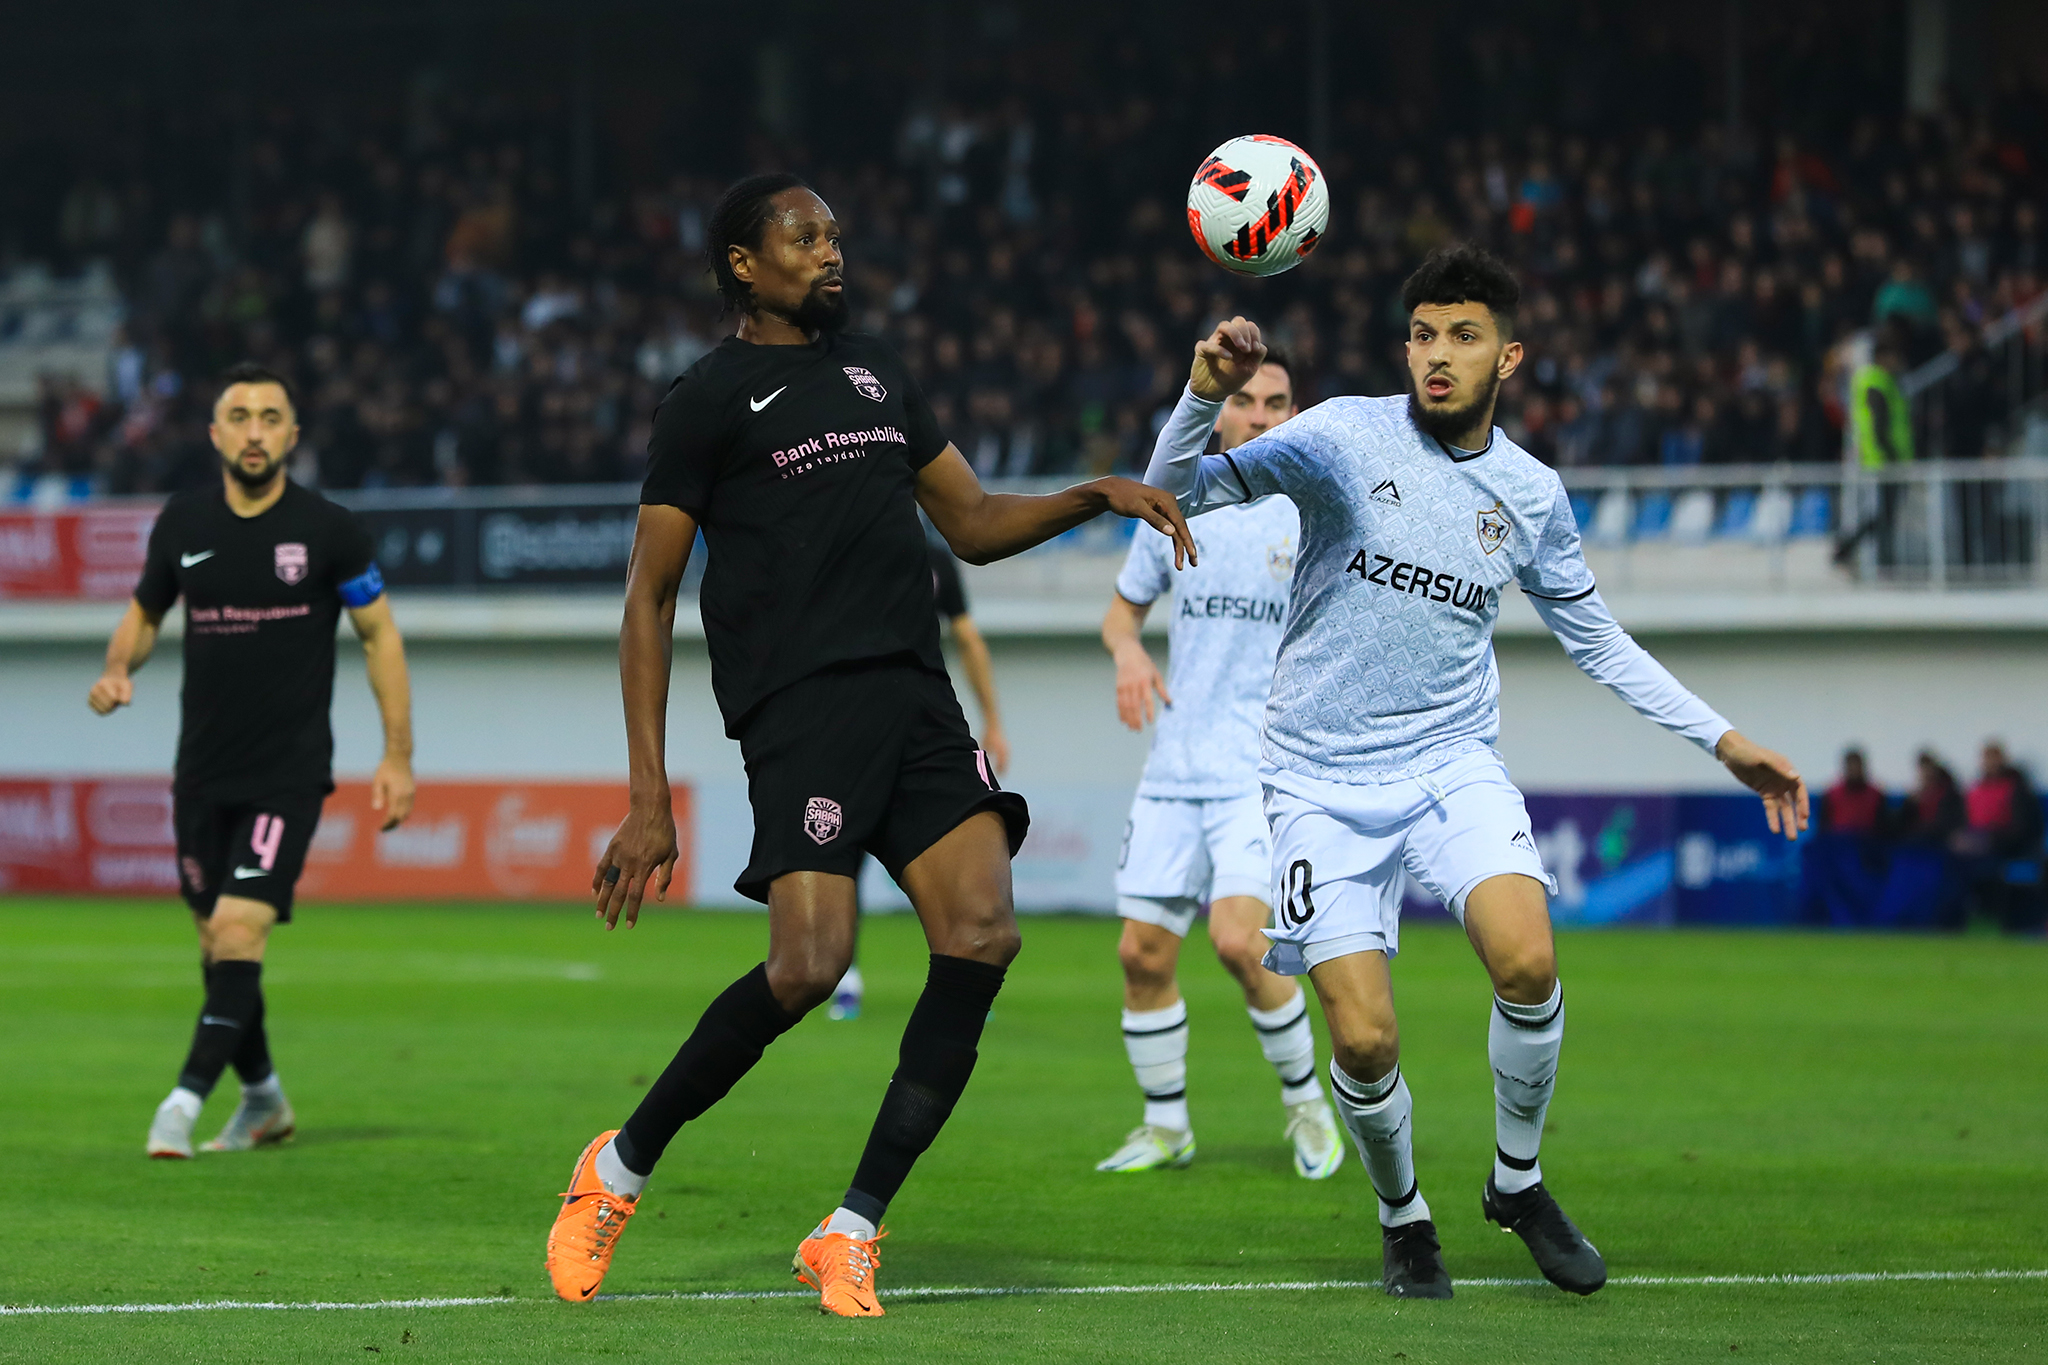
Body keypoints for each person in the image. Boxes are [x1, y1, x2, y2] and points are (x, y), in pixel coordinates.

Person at [544, 174, 1195, 1319]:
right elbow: (646, 598)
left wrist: (1095, 493)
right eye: (803, 237)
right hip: (800, 710)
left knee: (983, 933)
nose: (829, 252)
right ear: (742, 263)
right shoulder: (706, 400)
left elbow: (973, 524)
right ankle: (618, 1166)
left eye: (834, 236)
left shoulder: (877, 376)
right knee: (807, 967)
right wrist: (647, 797)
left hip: (915, 699)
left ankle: (848, 1230)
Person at [1143, 244, 1807, 1299]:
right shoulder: (1339, 437)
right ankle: (1403, 1218)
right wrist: (1198, 395)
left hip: (1450, 762)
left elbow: (1598, 640)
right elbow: (1168, 493)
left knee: (1528, 963)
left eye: (1462, 335)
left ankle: (1517, 1183)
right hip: (1315, 780)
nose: (1437, 355)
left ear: (1508, 356)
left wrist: (1724, 741)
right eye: (1422, 334)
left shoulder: (1531, 494)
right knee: (1365, 1042)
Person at [87, 362, 415, 1160]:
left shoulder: (330, 530)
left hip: (287, 773)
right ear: (216, 434)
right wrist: (118, 667)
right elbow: (144, 612)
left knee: (239, 928)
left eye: (271, 416)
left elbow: (379, 635)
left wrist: (397, 754)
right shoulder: (183, 523)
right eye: (240, 416)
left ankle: (181, 1103)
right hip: (201, 773)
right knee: (216, 942)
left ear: (293, 435)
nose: (256, 430)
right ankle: (264, 1096)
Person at [1094, 350, 1343, 1182]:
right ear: (1221, 411)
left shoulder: (1314, 512)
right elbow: (1120, 615)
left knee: (1240, 941)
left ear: (1294, 413)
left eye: (1277, 401)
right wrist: (1129, 652)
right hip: (1175, 763)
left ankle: (1307, 1105)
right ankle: (1167, 1125)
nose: (1261, 415)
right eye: (1245, 400)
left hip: (1260, 769)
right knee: (1141, 955)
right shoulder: (1174, 503)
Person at [827, 533, 1011, 1021]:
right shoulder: (879, 550)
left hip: (890, 731)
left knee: (927, 858)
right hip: (882, 731)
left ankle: (955, 979)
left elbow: (967, 637)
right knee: (861, 860)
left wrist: (993, 721)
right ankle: (859, 982)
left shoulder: (918, 557)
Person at [1953, 742, 2044, 933]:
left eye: (1994, 758)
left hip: (2006, 849)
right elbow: (1962, 822)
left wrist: (1991, 840)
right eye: (1987, 758)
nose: (1990, 763)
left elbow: (2023, 830)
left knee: (1992, 871)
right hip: (1976, 848)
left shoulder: (2017, 790)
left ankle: (1999, 920)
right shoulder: (1974, 790)